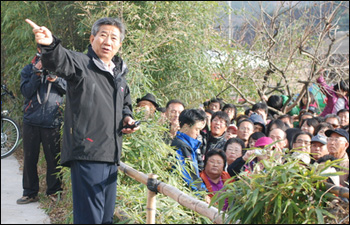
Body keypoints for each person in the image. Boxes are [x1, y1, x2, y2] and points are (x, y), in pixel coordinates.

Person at [26, 17, 139, 223]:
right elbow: (60, 59)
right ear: (92, 38)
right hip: (88, 152)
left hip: (111, 155)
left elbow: (125, 103)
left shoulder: (118, 74)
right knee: (90, 218)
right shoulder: (81, 64)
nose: (108, 41)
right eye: (103, 35)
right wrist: (49, 45)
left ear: (119, 45)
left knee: (105, 218)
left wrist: (127, 118)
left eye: (114, 38)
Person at [17, 47, 66, 204]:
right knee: (30, 158)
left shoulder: (60, 69)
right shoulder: (28, 70)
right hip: (31, 120)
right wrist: (36, 74)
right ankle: (30, 192)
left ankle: (54, 191)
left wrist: (56, 79)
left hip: (52, 121)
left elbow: (68, 89)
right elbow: (26, 92)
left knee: (53, 159)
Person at [171, 109, 207, 191]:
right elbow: (188, 177)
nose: (198, 134)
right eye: (196, 129)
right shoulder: (181, 146)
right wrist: (202, 194)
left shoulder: (187, 145)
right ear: (185, 127)